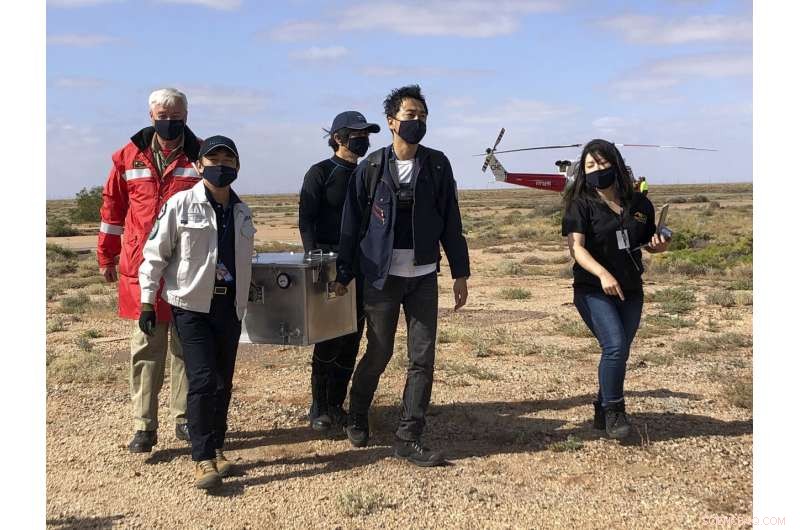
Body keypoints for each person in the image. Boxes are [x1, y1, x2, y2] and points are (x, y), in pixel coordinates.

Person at [334, 85, 470, 466]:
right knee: (379, 351)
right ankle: (357, 413)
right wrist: (345, 271)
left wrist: (460, 271)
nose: (417, 122)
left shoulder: (438, 165)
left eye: (423, 116)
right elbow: (351, 225)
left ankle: (409, 435)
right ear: (392, 122)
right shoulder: (371, 168)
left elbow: (451, 221)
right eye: (411, 115)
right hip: (381, 277)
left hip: (424, 276)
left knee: (422, 357)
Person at [139, 135, 256, 490]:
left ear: (237, 166)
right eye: (213, 158)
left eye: (228, 159)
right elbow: (155, 254)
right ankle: (202, 457)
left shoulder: (242, 211)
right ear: (199, 165)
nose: (221, 165)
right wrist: (147, 301)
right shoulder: (180, 205)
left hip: (229, 306)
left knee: (223, 382)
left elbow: (243, 261)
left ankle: (218, 448)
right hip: (191, 306)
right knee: (203, 379)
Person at [97, 88, 202, 453]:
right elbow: (112, 211)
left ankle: (184, 419)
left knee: (185, 347)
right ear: (150, 114)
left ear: (186, 117)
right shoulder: (127, 157)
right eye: (161, 116)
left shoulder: (201, 154)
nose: (168, 122)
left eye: (175, 117)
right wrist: (106, 257)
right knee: (145, 348)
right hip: (141, 269)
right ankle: (144, 425)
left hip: (187, 269)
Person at [561, 139, 669, 439]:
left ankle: (601, 405)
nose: (598, 170)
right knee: (615, 346)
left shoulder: (639, 204)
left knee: (619, 352)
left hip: (631, 290)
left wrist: (660, 244)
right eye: (590, 165)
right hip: (593, 289)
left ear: (616, 164)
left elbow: (648, 243)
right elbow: (576, 249)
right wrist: (602, 273)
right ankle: (614, 411)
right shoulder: (579, 204)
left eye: (603, 163)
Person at [298, 111, 380, 433]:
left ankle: (337, 403)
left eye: (366, 134)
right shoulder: (320, 173)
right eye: (356, 134)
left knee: (352, 336)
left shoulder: (368, 174)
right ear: (338, 138)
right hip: (328, 264)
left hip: (362, 264)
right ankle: (318, 406)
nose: (363, 139)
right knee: (329, 336)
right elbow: (306, 220)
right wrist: (315, 260)